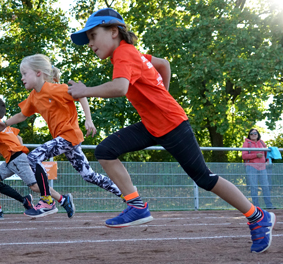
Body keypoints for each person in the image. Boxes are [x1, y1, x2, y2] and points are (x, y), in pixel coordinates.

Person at [68, 7, 276, 253]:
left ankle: (257, 216)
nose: (90, 44)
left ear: (114, 31)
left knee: (204, 178)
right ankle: (136, 205)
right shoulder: (134, 54)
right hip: (153, 124)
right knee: (105, 150)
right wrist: (162, 94)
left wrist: (85, 90)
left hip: (173, 124)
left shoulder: (124, 54)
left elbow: (120, 87)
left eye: (92, 36)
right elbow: (164, 64)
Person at [0, 54, 124, 218]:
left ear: (38, 73)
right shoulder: (33, 97)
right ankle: (125, 193)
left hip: (68, 136)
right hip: (64, 141)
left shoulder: (56, 89)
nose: (22, 78)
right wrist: (6, 123)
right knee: (89, 175)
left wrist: (89, 120)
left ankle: (47, 201)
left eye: (24, 73)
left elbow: (81, 95)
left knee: (33, 157)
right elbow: (22, 115)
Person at [0, 97, 69, 220]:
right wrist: (3, 148)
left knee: (35, 187)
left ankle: (62, 199)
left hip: (17, 159)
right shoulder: (4, 126)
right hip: (12, 159)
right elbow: (18, 139)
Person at [242, 129, 275, 209]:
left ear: (258, 134)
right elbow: (244, 156)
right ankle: (256, 206)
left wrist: (267, 160)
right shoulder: (246, 143)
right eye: (251, 133)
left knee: (265, 186)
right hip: (251, 167)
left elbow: (266, 153)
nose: (253, 134)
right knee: (254, 186)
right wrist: (256, 155)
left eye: (255, 133)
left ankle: (269, 205)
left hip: (262, 167)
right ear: (249, 135)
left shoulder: (262, 142)